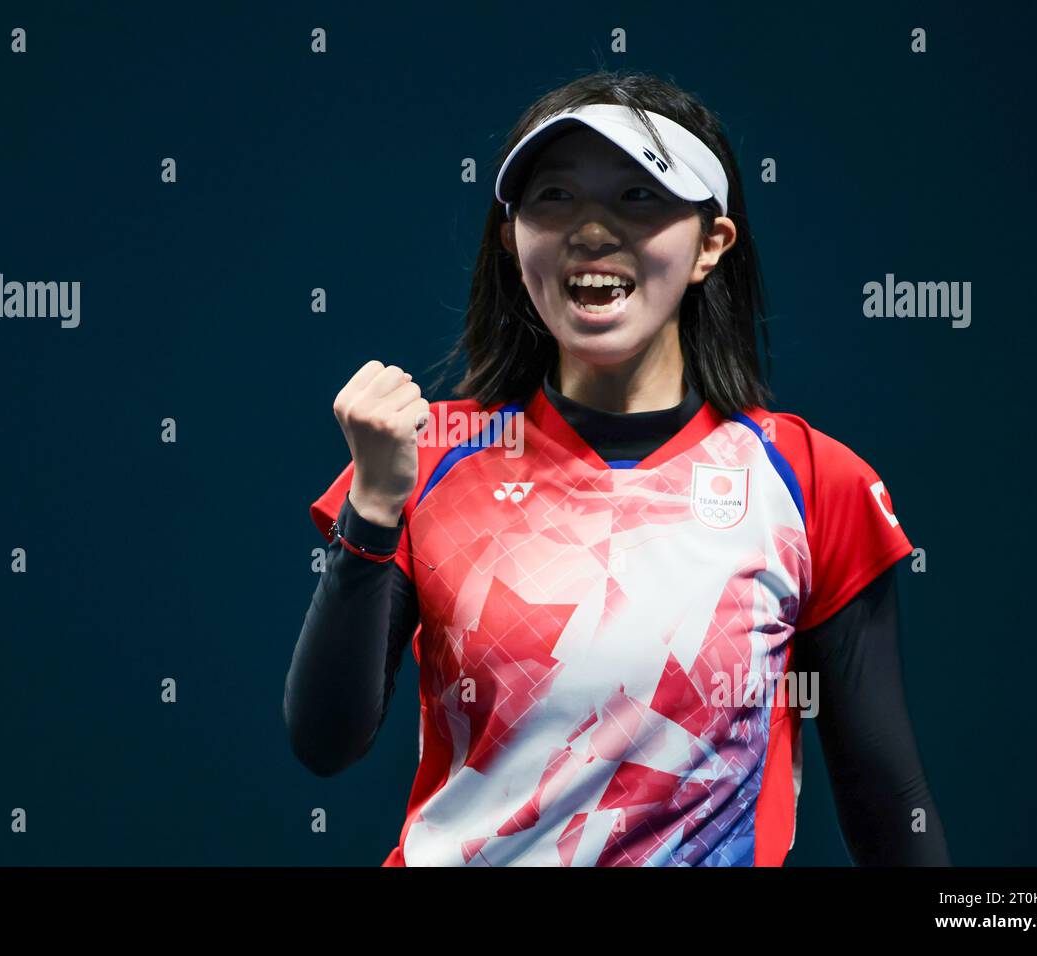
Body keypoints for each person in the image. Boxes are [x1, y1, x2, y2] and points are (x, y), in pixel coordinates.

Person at [284, 70, 950, 867]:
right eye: (554, 197)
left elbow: (887, 800)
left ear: (712, 244)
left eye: (640, 196)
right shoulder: (425, 458)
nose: (590, 229)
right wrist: (374, 506)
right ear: (511, 238)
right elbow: (325, 742)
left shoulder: (810, 479)